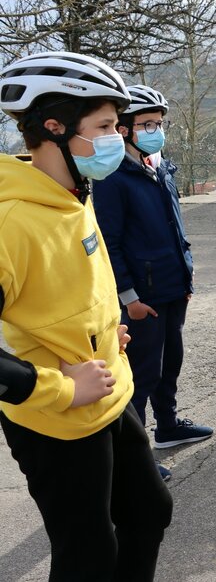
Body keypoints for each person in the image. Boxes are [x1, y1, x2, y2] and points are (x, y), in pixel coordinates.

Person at [0, 51, 173, 580]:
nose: (117, 139)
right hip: (57, 417)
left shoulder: (75, 192)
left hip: (109, 394)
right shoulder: (11, 219)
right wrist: (58, 389)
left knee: (150, 511)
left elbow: (66, 290)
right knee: (87, 555)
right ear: (55, 128)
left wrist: (104, 328)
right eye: (103, 126)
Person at [93, 84, 213, 482]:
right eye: (146, 124)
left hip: (172, 286)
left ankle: (169, 425)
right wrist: (129, 296)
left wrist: (185, 275)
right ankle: (136, 458)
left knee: (170, 363)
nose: (155, 131)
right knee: (142, 375)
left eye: (159, 124)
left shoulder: (159, 166)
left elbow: (174, 228)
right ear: (125, 129)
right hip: (141, 296)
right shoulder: (112, 176)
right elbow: (109, 242)